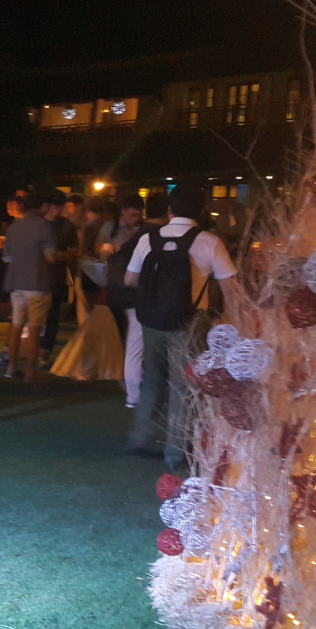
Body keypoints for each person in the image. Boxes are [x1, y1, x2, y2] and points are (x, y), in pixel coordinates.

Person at [124, 185, 240, 470]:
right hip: (190, 322)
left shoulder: (148, 239)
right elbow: (230, 287)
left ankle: (141, 437)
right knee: (183, 386)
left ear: (169, 209)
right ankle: (174, 452)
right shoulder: (210, 241)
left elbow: (129, 279)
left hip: (152, 320)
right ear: (201, 210)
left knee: (152, 378)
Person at [102, 194, 153, 408]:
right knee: (125, 335)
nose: (135, 218)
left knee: (134, 338)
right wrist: (110, 250)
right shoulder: (110, 228)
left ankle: (131, 380)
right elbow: (100, 252)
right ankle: (129, 378)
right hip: (117, 286)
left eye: (138, 215)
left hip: (133, 290)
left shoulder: (146, 230)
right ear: (123, 211)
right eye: (132, 214)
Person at [2, 193, 58, 380]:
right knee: (34, 328)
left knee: (16, 325)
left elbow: (7, 257)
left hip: (16, 283)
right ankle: (30, 370)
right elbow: (51, 257)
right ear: (41, 206)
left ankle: (11, 367)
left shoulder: (13, 227)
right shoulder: (44, 226)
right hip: (37, 282)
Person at [39, 190, 79, 369]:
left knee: (52, 316)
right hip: (37, 275)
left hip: (56, 275)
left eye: (59, 207)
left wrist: (61, 256)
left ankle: (44, 353)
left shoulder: (67, 225)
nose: (56, 211)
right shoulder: (38, 223)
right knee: (34, 316)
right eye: (53, 207)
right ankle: (28, 351)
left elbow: (75, 250)